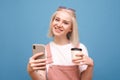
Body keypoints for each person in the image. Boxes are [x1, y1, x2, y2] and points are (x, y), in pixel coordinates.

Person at [27, 6, 94, 80]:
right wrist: (31, 71)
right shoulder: (44, 50)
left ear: (71, 28)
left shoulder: (79, 49)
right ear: (52, 22)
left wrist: (90, 66)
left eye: (65, 23)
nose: (59, 25)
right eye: (57, 20)